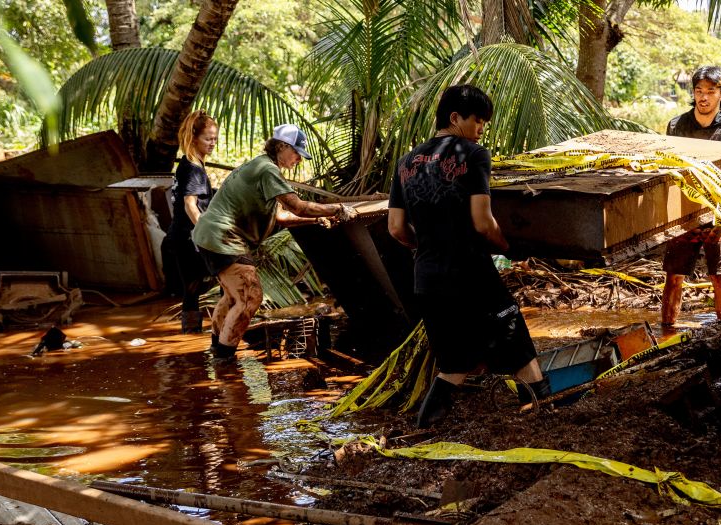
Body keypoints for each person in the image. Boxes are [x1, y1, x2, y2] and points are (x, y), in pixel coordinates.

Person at [387, 84, 550, 428]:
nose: (480, 130)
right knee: (515, 334)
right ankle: (543, 412)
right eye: (477, 121)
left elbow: (396, 229)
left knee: (455, 363)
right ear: (455, 117)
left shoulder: (405, 163)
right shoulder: (474, 154)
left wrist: (429, 244)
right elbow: (482, 222)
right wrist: (506, 246)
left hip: (427, 279)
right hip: (470, 273)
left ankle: (424, 429)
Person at [192, 124, 358, 362]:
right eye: (297, 153)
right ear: (281, 146)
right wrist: (339, 208)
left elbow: (282, 216)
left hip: (210, 235)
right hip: (224, 237)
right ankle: (224, 360)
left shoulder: (260, 166)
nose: (299, 159)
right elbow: (297, 206)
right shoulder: (268, 170)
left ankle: (217, 350)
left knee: (232, 297)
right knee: (250, 296)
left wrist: (320, 218)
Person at [662, 66, 721, 327]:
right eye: (699, 90)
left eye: (711, 91)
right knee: (674, 276)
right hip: (682, 216)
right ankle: (666, 330)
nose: (703, 97)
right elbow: (665, 168)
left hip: (718, 217)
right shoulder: (677, 126)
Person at [162, 110, 218, 333]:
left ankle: (191, 337)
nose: (213, 143)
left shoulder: (189, 163)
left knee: (192, 290)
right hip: (189, 238)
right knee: (225, 278)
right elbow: (190, 205)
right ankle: (222, 335)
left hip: (180, 236)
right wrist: (207, 234)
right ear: (194, 138)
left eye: (215, 138)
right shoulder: (194, 169)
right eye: (208, 139)